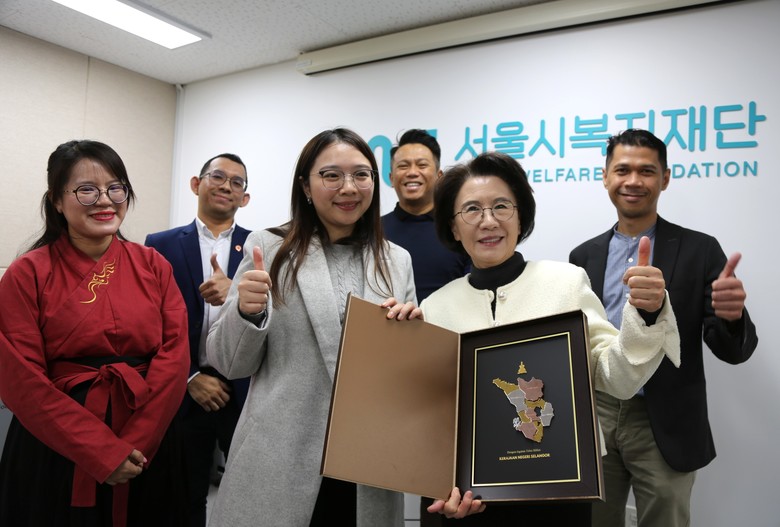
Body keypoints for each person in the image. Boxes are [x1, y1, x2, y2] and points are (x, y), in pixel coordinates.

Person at [385, 150, 682, 525]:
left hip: (555, 494)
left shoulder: (565, 282)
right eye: (472, 209)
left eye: (501, 206)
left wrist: (646, 312)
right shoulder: (436, 307)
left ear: (521, 216)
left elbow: (617, 378)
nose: (488, 221)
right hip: (465, 502)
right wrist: (395, 338)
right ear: (454, 227)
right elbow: (429, 420)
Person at [205, 128, 416, 526]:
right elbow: (229, 363)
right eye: (331, 175)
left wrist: (410, 339)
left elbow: (404, 383)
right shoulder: (269, 249)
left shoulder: (396, 260)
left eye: (361, 174)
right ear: (305, 185)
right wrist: (246, 313)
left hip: (367, 465)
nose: (348, 187)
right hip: (279, 458)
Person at [569, 128, 758, 527]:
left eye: (647, 171)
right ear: (605, 176)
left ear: (665, 178)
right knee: (592, 519)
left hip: (664, 418)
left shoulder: (699, 249)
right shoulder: (583, 255)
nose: (633, 181)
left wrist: (731, 317)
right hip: (596, 413)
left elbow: (731, 350)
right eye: (622, 170)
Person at [0, 140, 189, 527]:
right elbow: (20, 379)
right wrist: (100, 451)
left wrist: (136, 443)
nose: (105, 200)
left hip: (145, 442)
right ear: (56, 200)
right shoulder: (27, 273)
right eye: (86, 189)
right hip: (58, 445)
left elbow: (175, 357)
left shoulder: (154, 265)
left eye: (116, 188)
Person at [145, 153, 252, 526]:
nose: (226, 186)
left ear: (245, 198)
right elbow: (149, 322)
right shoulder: (159, 245)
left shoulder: (263, 247)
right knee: (184, 496)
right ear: (196, 184)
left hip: (244, 389)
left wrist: (234, 290)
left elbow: (277, 314)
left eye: (236, 182)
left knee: (250, 495)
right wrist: (189, 376)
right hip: (184, 390)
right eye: (217, 176)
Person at [382, 129, 470, 302]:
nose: (412, 172)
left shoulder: (460, 229)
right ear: (391, 178)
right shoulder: (373, 232)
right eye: (403, 166)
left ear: (439, 177)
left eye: (422, 165)